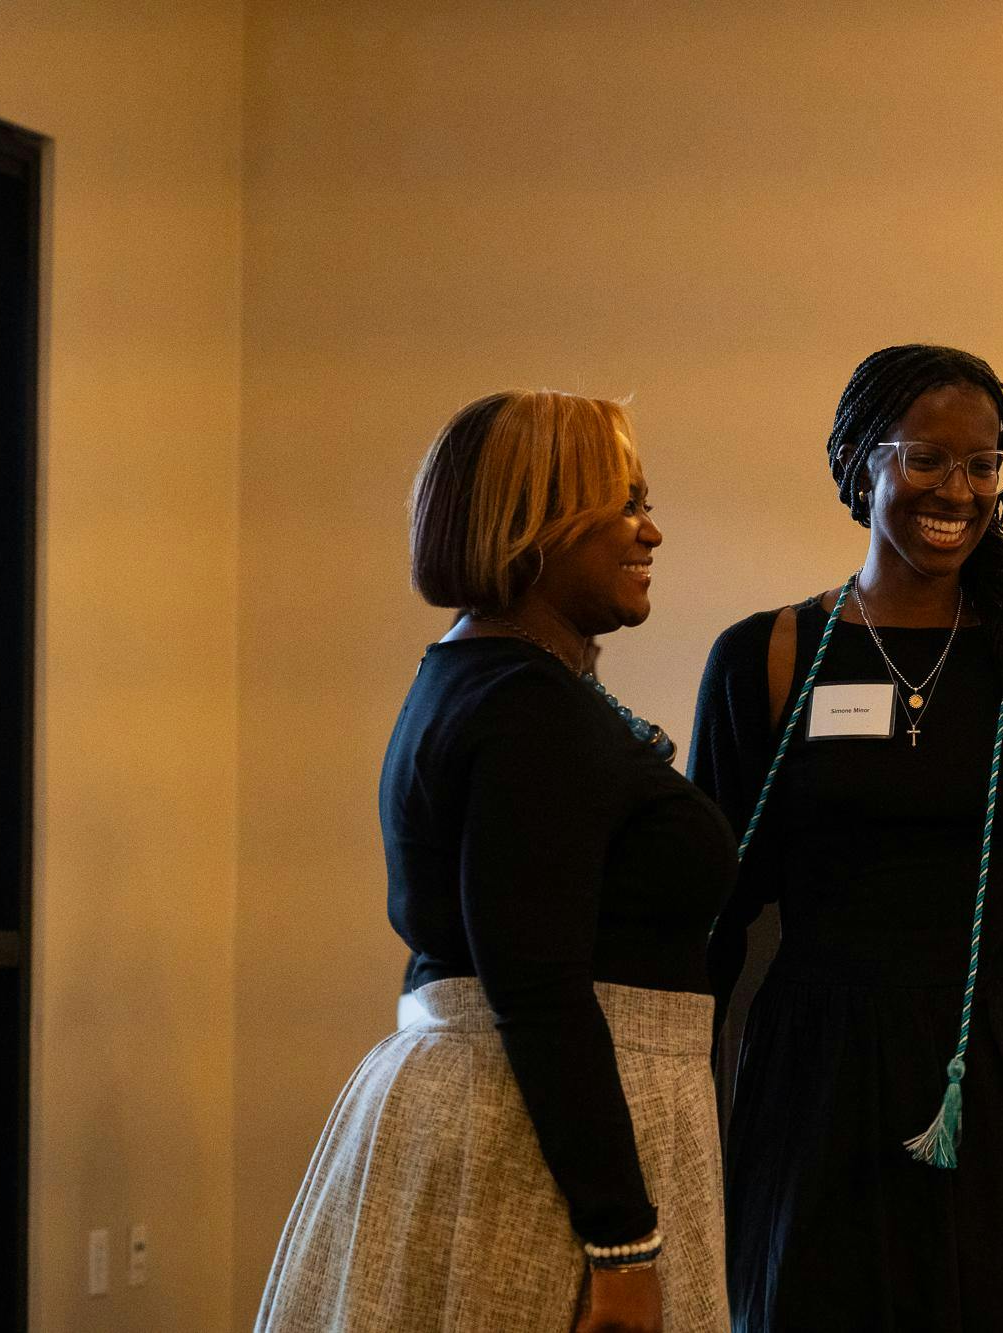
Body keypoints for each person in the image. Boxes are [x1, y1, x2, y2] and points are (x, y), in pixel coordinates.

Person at [690, 345, 1003, 1331]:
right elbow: (701, 920)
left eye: (981, 464)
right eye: (925, 458)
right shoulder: (769, 658)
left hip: (1002, 1072)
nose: (953, 489)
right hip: (819, 1083)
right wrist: (657, 1140)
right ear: (857, 462)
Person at [259, 390, 736, 1333]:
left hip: (523, 1119)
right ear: (539, 526)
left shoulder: (496, 676)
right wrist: (621, 1244)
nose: (653, 530)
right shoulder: (525, 707)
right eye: (626, 503)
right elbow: (537, 983)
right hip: (533, 1151)